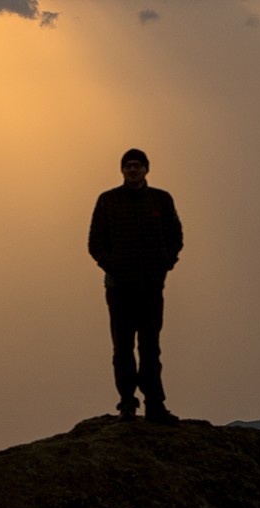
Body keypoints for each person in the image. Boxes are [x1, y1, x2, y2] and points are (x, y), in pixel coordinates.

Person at [88, 148, 183, 424]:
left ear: (146, 169)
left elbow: (175, 236)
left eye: (137, 165)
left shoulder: (161, 200)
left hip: (152, 286)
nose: (132, 170)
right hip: (119, 288)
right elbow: (95, 243)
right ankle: (127, 404)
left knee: (151, 346)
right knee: (123, 347)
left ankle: (155, 405)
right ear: (122, 170)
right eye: (128, 166)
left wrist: (166, 263)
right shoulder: (108, 201)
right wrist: (113, 267)